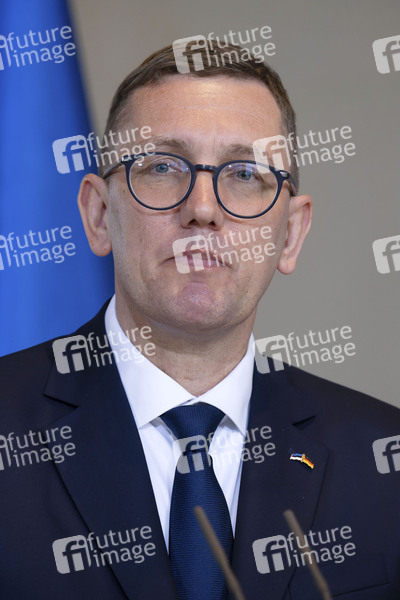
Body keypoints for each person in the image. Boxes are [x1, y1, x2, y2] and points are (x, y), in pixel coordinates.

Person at [1, 41, 399, 600]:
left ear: (290, 234)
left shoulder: (385, 458)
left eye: (246, 173)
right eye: (163, 167)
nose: (203, 209)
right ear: (98, 214)